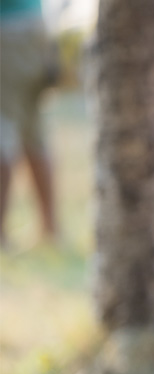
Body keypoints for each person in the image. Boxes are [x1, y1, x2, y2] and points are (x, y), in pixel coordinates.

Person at [0, 0, 59, 249]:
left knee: (4, 129)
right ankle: (50, 228)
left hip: (6, 31)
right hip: (35, 26)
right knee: (33, 131)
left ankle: (1, 234)